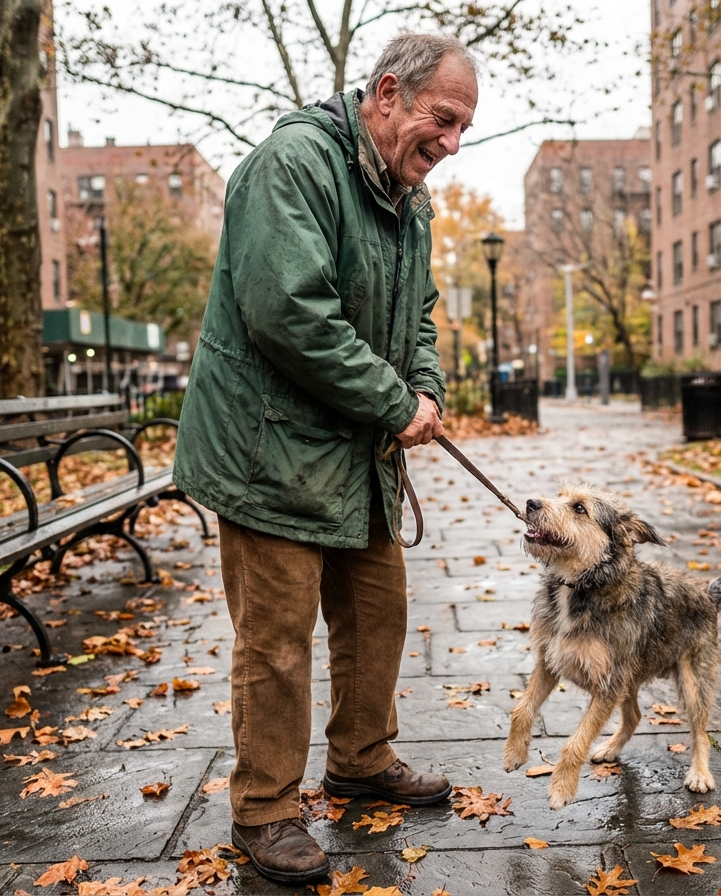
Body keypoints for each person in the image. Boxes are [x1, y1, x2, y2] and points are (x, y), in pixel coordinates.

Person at [173, 33, 479, 886]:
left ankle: (360, 758)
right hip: (268, 451)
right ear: (388, 93)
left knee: (377, 613)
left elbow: (418, 317)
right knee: (275, 641)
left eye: (463, 131)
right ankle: (265, 809)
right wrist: (394, 404)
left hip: (356, 451)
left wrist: (424, 389)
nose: (450, 145)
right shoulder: (294, 163)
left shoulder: (409, 200)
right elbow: (289, 314)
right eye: (442, 120)